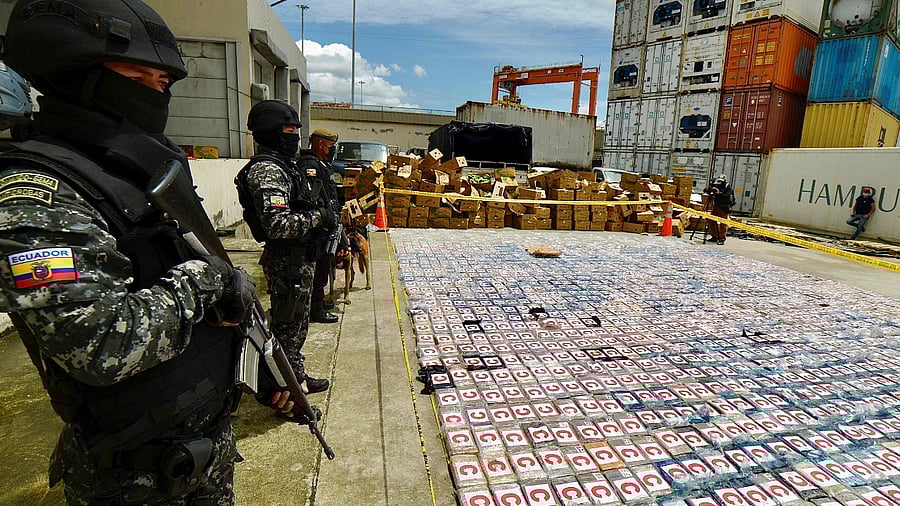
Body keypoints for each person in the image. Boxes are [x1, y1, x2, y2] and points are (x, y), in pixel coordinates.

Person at [0, 0, 294, 503]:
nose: (163, 95)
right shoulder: (36, 194)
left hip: (202, 434)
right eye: (148, 79)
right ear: (81, 74)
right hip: (135, 469)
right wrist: (207, 281)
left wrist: (262, 373)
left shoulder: (133, 169)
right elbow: (101, 347)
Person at [235, 101, 332, 393]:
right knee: (286, 328)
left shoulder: (285, 166)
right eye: (289, 130)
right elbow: (276, 226)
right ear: (270, 132)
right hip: (286, 261)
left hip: (299, 258)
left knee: (296, 329)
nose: (294, 136)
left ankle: (295, 378)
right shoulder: (266, 170)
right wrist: (318, 217)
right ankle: (283, 391)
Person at [304, 128, 349, 324]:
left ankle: (319, 301)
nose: (333, 150)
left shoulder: (323, 164)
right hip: (317, 226)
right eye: (331, 146)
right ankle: (316, 308)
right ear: (320, 144)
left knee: (325, 264)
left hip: (327, 223)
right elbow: (313, 198)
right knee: (318, 269)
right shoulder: (309, 165)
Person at [703, 174, 736, 245]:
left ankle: (722, 238)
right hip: (716, 206)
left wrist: (719, 193)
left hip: (724, 207)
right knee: (711, 220)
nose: (719, 183)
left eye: (721, 181)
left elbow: (727, 196)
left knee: (723, 224)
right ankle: (714, 236)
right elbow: (709, 191)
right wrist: (709, 190)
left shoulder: (727, 187)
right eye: (719, 181)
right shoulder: (717, 185)